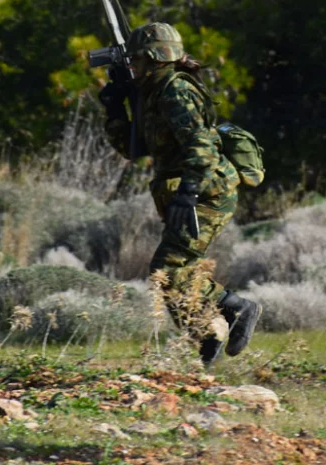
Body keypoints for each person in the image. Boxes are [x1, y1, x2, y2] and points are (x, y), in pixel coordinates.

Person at [99, 22, 259, 366]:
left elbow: (200, 144)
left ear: (152, 58)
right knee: (176, 272)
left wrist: (188, 192)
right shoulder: (152, 93)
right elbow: (134, 148)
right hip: (189, 192)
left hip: (206, 192)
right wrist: (115, 108)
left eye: (136, 59)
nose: (132, 66)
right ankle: (206, 338)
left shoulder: (174, 91)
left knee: (167, 269)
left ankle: (236, 307)